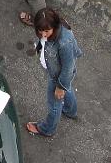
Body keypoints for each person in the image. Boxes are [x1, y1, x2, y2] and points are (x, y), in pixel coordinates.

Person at [26, 8, 83, 137]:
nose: (43, 35)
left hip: (58, 76)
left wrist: (60, 87)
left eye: (46, 31)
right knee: (67, 89)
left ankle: (47, 129)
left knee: (54, 103)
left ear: (55, 26)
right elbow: (43, 41)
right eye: (40, 31)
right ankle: (70, 111)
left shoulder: (64, 42)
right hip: (57, 72)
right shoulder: (51, 32)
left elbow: (68, 68)